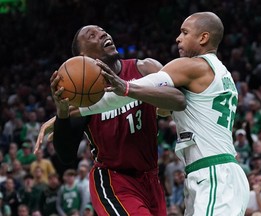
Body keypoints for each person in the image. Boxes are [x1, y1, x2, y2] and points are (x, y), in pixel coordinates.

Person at [78, 12, 250, 215]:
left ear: (203, 38)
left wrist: (75, 110)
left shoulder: (192, 66)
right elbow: (165, 106)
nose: (178, 38)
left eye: (184, 32)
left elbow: (136, 89)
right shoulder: (223, 73)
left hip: (213, 174)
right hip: (217, 173)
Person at [35, 25, 186, 215]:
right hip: (113, 181)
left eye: (102, 31)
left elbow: (178, 100)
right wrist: (62, 113)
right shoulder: (82, 93)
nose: (103, 34)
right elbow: (66, 155)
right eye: (93, 35)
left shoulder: (146, 68)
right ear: (83, 55)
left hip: (151, 178)